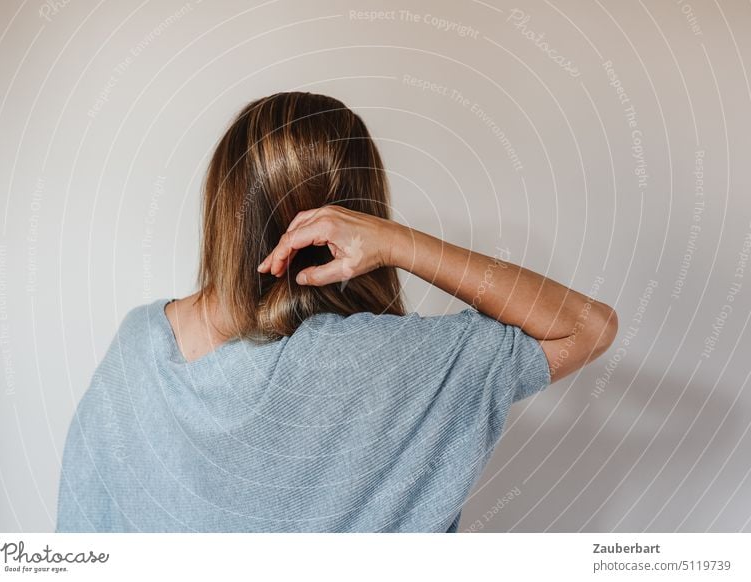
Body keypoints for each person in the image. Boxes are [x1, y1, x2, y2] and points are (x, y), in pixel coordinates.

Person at [56, 91, 618, 532]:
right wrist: (398, 243)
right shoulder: (390, 365)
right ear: (358, 208)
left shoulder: (139, 344)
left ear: (224, 202)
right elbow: (587, 327)